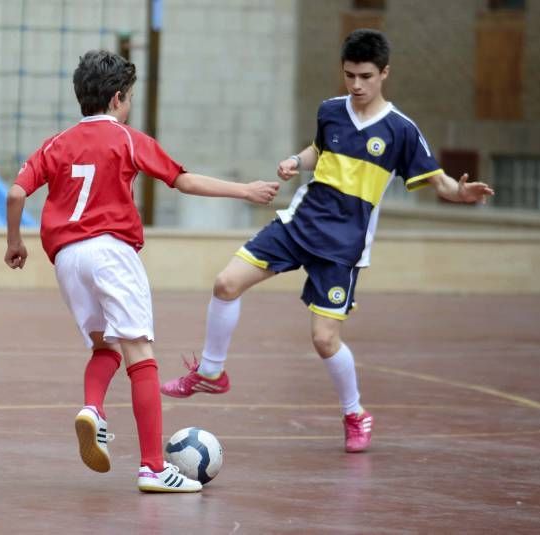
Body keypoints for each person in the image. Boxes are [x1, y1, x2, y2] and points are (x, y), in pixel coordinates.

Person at [160, 29, 494, 453]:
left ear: (384, 73)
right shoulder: (331, 110)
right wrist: (295, 161)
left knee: (324, 340)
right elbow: (320, 149)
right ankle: (211, 373)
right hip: (300, 223)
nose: (356, 85)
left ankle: (355, 414)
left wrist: (459, 194)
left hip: (344, 246)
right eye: (350, 75)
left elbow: (438, 181)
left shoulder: (401, 130)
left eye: (366, 76)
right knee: (226, 283)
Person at [4, 50, 279, 492]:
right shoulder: (127, 139)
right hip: (111, 252)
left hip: (67, 261)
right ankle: (153, 467)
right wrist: (245, 191)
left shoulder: (55, 143)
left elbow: (17, 194)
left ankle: (93, 409)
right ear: (117, 99)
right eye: (128, 97)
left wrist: (15, 242)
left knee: (105, 348)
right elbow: (183, 180)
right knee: (140, 354)